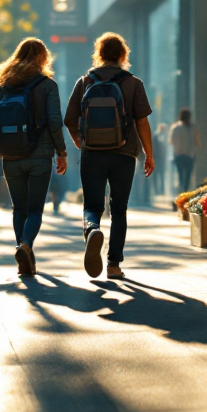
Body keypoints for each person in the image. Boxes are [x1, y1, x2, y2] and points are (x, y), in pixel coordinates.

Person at [64, 33, 154, 280]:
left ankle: (92, 229)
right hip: (124, 154)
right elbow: (142, 122)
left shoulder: (85, 81)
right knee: (119, 209)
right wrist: (149, 154)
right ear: (123, 54)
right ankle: (113, 265)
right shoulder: (134, 83)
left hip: (92, 154)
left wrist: (80, 142)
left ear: (99, 54)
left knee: (92, 206)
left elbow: (69, 119)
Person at [0, 38, 67, 276]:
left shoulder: (4, 86)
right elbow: (54, 121)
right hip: (40, 156)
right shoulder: (47, 85)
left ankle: (25, 260)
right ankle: (25, 246)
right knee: (35, 210)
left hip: (10, 157)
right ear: (43, 58)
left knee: (18, 209)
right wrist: (61, 152)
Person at [169, 108, 200, 194]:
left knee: (180, 175)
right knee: (188, 176)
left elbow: (171, 141)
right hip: (189, 155)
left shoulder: (175, 127)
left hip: (178, 155)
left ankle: (180, 191)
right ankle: (186, 191)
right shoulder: (193, 128)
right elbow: (197, 142)